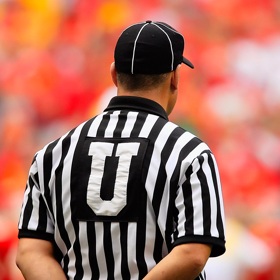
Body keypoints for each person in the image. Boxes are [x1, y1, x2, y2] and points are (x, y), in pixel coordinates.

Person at [16, 20, 226, 280]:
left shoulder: (52, 154)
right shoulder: (190, 153)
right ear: (174, 77)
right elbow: (193, 253)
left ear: (114, 74)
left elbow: (30, 252)